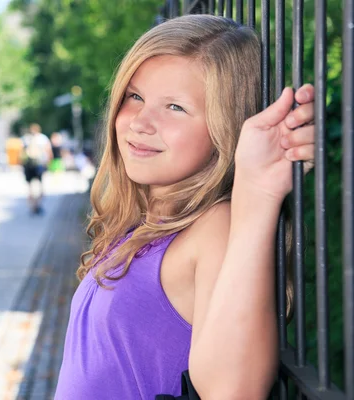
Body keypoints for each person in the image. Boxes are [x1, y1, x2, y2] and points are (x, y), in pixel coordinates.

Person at [54, 15, 315, 399]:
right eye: (135, 96)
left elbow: (234, 392)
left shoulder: (213, 227)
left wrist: (256, 192)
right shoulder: (145, 223)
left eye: (175, 107)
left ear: (226, 127)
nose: (141, 122)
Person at [21, 123, 53, 215]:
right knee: (40, 186)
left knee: (30, 187)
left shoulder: (25, 138)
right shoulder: (43, 138)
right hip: (39, 164)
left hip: (28, 165)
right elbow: (48, 151)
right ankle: (38, 205)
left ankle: (33, 206)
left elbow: (21, 152)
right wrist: (49, 162)